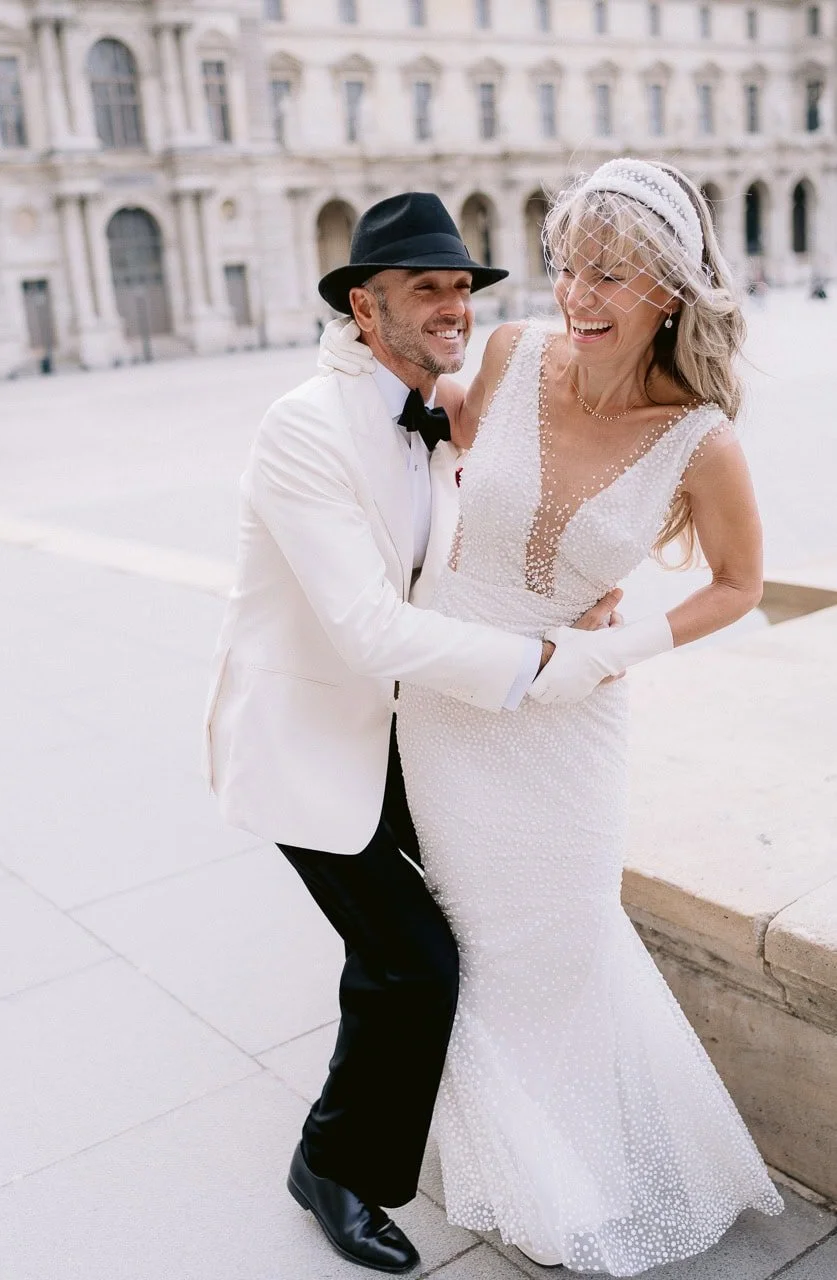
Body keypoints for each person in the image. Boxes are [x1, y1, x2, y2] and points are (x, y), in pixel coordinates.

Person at [322, 158, 785, 1275]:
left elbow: (738, 584)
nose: (576, 294)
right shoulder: (511, 350)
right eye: (570, 265)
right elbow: (450, 460)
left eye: (610, 275)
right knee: (484, 939)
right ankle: (529, 1167)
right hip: (452, 694)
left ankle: (588, 1153)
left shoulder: (700, 438)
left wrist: (606, 644)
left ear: (668, 289)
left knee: (570, 932)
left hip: (575, 722)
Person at [203, 191, 619, 1274]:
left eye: (458, 288)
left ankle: (480, 1129)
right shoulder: (304, 424)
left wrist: (580, 598)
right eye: (423, 290)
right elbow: (364, 624)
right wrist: (534, 667)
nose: (450, 307)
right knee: (411, 964)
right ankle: (332, 1164)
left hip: (411, 735)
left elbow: (480, 552)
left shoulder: (435, 406)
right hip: (306, 742)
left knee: (443, 938)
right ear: (360, 305)